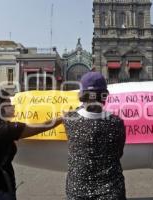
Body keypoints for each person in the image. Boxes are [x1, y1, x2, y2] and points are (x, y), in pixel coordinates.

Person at [0, 88, 62, 199]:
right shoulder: (5, 129)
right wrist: (63, 117)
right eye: (9, 104)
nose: (13, 107)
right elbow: (42, 126)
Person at [63, 72, 126, 200]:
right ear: (104, 96)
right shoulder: (117, 122)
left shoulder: (69, 119)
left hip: (77, 191)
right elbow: (119, 153)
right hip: (112, 191)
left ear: (81, 95)